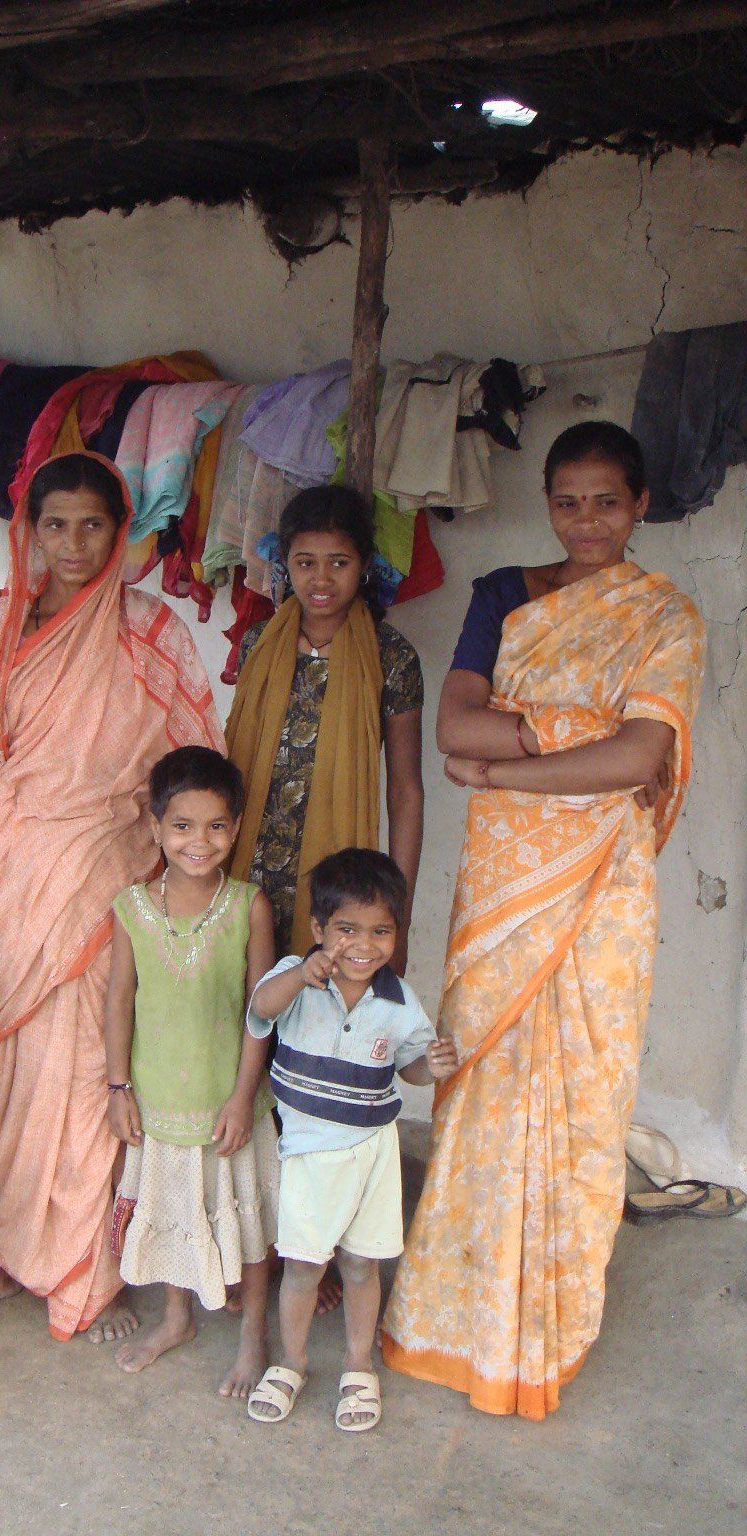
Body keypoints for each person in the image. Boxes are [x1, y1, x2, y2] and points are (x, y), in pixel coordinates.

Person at [381, 421, 706, 1420]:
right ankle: (453, 1320)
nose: (589, 520)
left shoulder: (666, 618)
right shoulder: (501, 597)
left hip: (601, 889)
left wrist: (503, 764)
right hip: (504, 889)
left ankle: (547, 1331)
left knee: (579, 1095)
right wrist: (560, 744)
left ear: (641, 503)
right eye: (570, 500)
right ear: (550, 505)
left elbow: (639, 760)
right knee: (479, 1076)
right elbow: (453, 726)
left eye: (609, 500)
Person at [0, 451, 225, 1344]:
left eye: (93, 524)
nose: (72, 543)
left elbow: (194, 766)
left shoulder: (150, 627)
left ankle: (88, 1268)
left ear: (121, 530)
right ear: (28, 530)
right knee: (13, 1083)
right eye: (53, 524)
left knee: (94, 1077)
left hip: (109, 875)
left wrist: (172, 885)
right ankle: (9, 1257)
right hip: (16, 880)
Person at [245, 849, 455, 1433]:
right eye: (347, 929)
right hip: (311, 1152)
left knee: (363, 1265)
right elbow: (259, 1009)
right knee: (305, 1269)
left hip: (373, 1151)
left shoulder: (398, 1001)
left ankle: (359, 1366)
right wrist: (300, 973)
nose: (364, 945)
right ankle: (291, 1363)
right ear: (319, 930)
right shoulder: (296, 978)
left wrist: (429, 1068)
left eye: (381, 930)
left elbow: (407, 1068)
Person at [104, 746, 278, 1395]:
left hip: (229, 1105)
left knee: (248, 1220)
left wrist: (241, 1096)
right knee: (174, 1209)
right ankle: (176, 1318)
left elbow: (259, 1012)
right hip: (158, 1103)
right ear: (155, 827)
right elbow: (119, 999)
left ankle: (254, 1334)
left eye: (215, 826)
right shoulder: (131, 909)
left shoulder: (247, 907)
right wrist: (118, 1086)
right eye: (181, 825)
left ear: (234, 828)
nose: (198, 842)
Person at [226, 485, 423, 973]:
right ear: (285, 564)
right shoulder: (259, 642)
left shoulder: (390, 656)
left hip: (332, 871)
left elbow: (405, 791)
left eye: (339, 562)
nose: (321, 579)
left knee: (318, 1009)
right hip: (247, 861)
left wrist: (396, 912)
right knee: (235, 1003)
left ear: (365, 565)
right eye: (305, 561)